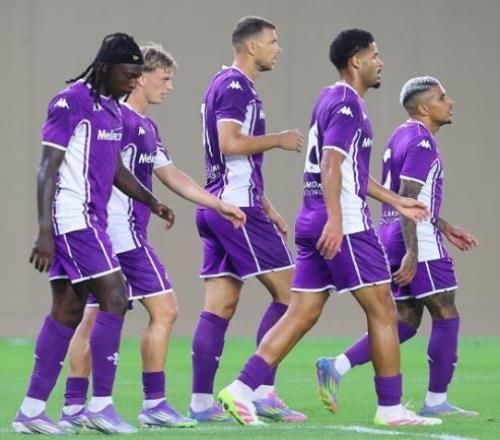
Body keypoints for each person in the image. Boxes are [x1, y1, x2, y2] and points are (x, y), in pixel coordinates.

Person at [217, 29, 441, 427]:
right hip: (344, 223)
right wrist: (337, 219)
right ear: (357, 61)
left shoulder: (330, 97)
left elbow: (351, 170)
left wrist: (395, 200)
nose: (380, 62)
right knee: (384, 310)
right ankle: (390, 408)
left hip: (312, 218)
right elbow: (332, 164)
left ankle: (240, 388)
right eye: (374, 55)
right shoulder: (347, 104)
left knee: (302, 312)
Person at [56, 43, 246, 432]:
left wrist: (216, 203)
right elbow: (104, 171)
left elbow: (171, 174)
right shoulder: (120, 120)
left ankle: (74, 407)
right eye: (165, 78)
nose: (170, 86)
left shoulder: (145, 125)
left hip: (110, 235)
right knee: (165, 309)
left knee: (92, 318)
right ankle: (153, 403)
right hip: (120, 234)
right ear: (140, 78)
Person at [12, 33, 175, 435]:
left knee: (67, 310)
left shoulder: (113, 110)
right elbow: (46, 168)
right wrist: (44, 232)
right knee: (115, 297)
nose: (134, 82)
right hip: (73, 218)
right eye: (129, 74)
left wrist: (152, 200)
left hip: (91, 220)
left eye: (138, 75)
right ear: (105, 68)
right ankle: (100, 406)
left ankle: (31, 411)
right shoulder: (70, 103)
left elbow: (117, 169)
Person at [324, 76, 479, 417]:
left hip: (391, 234)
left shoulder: (400, 135)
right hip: (416, 239)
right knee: (446, 313)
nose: (450, 102)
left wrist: (446, 226)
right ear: (423, 108)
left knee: (406, 320)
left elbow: (405, 198)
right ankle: (436, 402)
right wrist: (413, 251)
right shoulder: (422, 142)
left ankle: (336, 366)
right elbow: (407, 196)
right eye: (442, 97)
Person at [189, 16, 306, 423]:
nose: (278, 49)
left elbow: (233, 162)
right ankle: (258, 391)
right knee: (295, 297)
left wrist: (269, 206)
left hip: (218, 205)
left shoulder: (221, 84)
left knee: (220, 306)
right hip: (237, 210)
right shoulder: (236, 86)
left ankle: (201, 404)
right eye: (273, 41)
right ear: (252, 46)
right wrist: (279, 140)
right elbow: (229, 143)